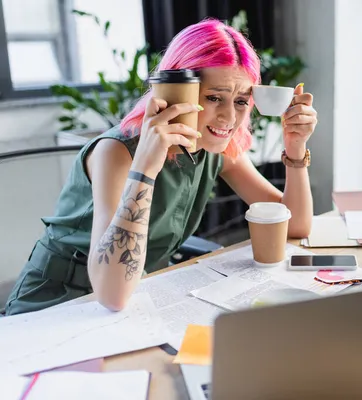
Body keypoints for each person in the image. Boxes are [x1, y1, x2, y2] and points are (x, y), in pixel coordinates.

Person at [5, 19, 317, 315]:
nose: (229, 119)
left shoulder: (217, 147)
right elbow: (111, 295)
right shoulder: (117, 152)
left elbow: (295, 226)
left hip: (136, 296)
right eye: (213, 97)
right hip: (56, 303)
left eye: (240, 101)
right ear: (175, 88)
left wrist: (294, 148)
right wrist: (144, 168)